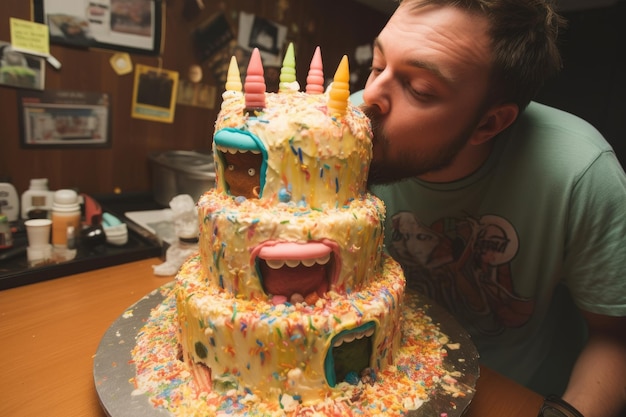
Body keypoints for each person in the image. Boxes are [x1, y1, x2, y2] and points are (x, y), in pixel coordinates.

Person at [357, 1, 626, 416]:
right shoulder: (339, 131)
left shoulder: (580, 174)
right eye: (377, 65)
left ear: (490, 124)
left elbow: (615, 336)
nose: (369, 98)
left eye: (420, 89)